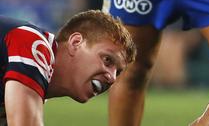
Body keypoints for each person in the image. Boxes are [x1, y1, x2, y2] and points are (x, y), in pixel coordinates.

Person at [1, 10, 135, 125]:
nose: (112, 78)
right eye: (107, 60)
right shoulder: (33, 43)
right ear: (76, 43)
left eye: (117, 73)